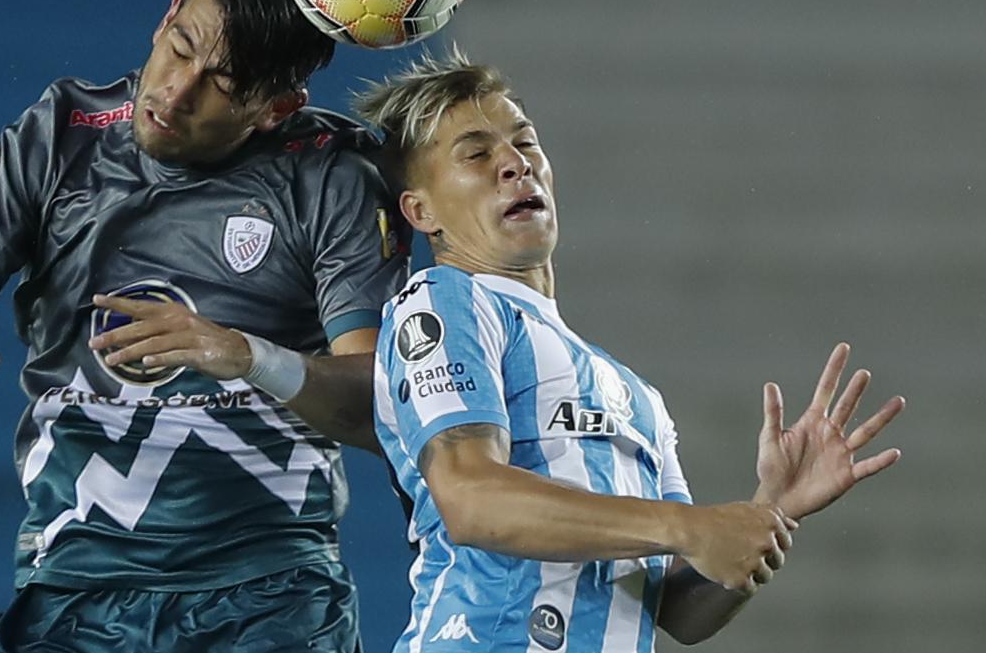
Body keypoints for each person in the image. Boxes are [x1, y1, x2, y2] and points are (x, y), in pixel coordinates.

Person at [0, 0, 409, 653]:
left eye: (221, 82)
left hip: (269, 600)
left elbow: (382, 408)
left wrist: (244, 354)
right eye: (181, 46)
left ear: (276, 107)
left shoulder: (333, 174)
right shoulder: (61, 133)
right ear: (166, 16)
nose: (176, 91)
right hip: (72, 593)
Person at [354, 50, 906, 653]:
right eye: (477, 154)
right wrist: (688, 527)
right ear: (420, 210)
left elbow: (677, 608)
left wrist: (769, 512)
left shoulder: (634, 394)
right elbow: (469, 497)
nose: (514, 164)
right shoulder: (445, 301)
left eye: (526, 144)